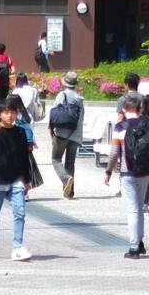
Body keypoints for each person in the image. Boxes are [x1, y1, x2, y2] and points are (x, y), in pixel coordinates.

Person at [0, 96, 33, 262]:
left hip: (16, 178)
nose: (10, 115)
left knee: (20, 212)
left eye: (12, 112)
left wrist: (27, 180)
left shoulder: (20, 132)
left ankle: (17, 247)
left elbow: (25, 158)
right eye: (6, 112)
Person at [110, 95, 149, 259]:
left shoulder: (120, 127)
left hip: (128, 172)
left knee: (132, 209)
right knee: (139, 206)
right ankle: (140, 242)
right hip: (145, 172)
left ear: (124, 110)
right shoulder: (147, 124)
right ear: (139, 110)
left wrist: (108, 171)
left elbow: (114, 153)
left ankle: (134, 248)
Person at [45, 70, 87, 199]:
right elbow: (82, 118)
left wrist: (51, 128)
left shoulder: (62, 95)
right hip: (75, 134)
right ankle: (69, 193)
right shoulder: (79, 99)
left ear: (65, 83)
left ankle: (65, 178)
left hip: (62, 133)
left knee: (56, 159)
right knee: (70, 162)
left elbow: (54, 113)